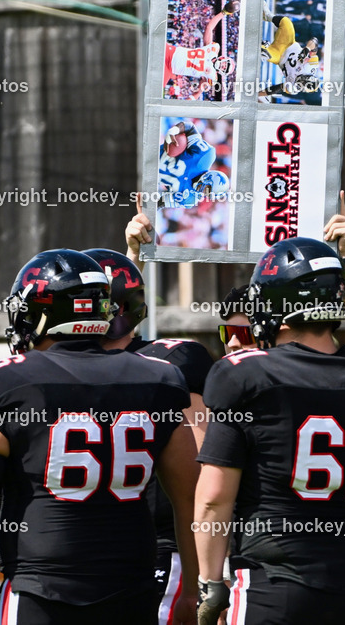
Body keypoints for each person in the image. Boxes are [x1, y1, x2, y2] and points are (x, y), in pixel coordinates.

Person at [0, 249, 200, 625]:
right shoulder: (159, 379)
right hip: (131, 587)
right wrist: (194, 586)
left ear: (42, 313)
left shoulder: (8, 380)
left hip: (41, 589)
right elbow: (189, 498)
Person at [194, 237, 345, 625]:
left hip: (274, 585)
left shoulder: (247, 376)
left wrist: (211, 583)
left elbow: (213, 500)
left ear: (274, 306)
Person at [84, 248, 211, 624]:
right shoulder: (64, 363)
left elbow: (199, 478)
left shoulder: (170, 364)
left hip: (159, 546)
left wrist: (198, 580)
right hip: (82, 549)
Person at [216, 190, 345, 355]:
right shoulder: (226, 376)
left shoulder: (305, 365)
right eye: (227, 333)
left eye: (245, 334)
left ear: (273, 327)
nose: (232, 344)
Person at [259, 5, 321, 97]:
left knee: (263, 53)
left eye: (303, 85)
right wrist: (307, 49)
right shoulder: (311, 67)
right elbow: (314, 41)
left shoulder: (294, 88)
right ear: (308, 77)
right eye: (303, 82)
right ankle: (268, 16)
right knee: (286, 22)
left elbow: (275, 89)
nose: (301, 83)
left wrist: (257, 95)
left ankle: (264, 46)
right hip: (288, 43)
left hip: (278, 56)